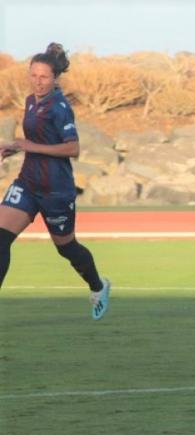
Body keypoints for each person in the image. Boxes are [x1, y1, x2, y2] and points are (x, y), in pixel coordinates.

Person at [0, 43, 111, 320]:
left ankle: (98, 286)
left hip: (56, 190)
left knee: (66, 248)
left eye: (44, 77)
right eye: (34, 75)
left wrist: (30, 147)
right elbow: (36, 140)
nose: (38, 82)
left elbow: (72, 149)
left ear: (54, 78)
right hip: (27, 182)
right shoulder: (29, 101)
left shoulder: (60, 107)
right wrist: (15, 146)